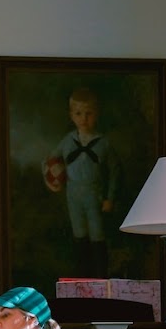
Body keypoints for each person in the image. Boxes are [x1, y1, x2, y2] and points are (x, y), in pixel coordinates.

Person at [43, 86, 122, 272]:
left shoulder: (104, 143)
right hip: (73, 194)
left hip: (94, 194)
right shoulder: (68, 141)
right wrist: (51, 179)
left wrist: (110, 198)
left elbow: (114, 171)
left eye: (89, 113)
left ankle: (100, 274)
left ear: (96, 114)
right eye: (78, 113)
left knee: (97, 232)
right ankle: (82, 275)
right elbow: (51, 160)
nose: (83, 119)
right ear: (71, 115)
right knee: (79, 232)